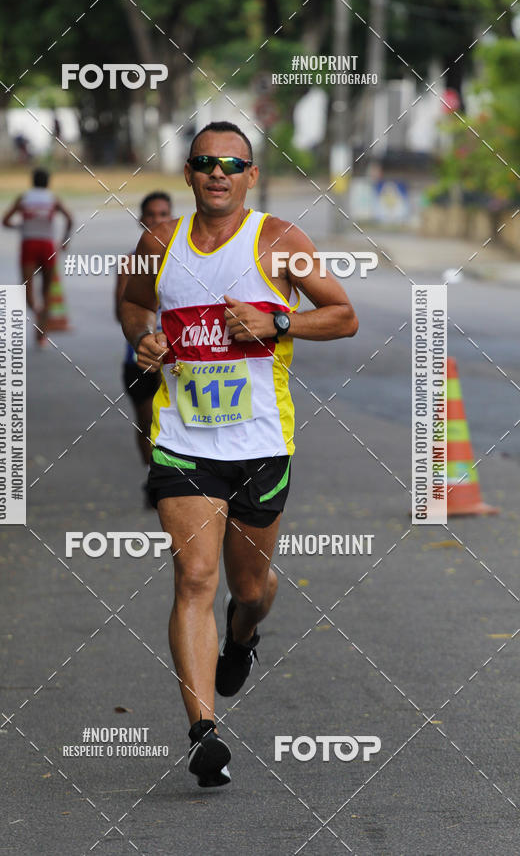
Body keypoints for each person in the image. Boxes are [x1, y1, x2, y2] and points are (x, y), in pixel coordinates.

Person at [119, 120, 358, 788]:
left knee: (248, 588)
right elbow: (135, 302)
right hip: (183, 441)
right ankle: (203, 733)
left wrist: (280, 320)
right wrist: (145, 341)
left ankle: (244, 635)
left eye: (232, 163)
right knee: (194, 577)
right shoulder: (159, 242)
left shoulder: (281, 241)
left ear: (250, 175)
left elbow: (343, 315)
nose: (217, 172)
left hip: (259, 444)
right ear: (189, 173)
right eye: (204, 162)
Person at [115, 192, 173, 506]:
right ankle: (153, 473)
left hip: (178, 360)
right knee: (147, 423)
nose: (157, 220)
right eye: (151, 215)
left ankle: (171, 481)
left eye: (163, 214)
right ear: (141, 219)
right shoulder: (129, 263)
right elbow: (121, 312)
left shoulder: (187, 261)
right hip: (139, 358)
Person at [2, 168, 73, 346]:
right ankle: (41, 333)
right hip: (47, 246)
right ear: (48, 182)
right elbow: (70, 219)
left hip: (29, 245)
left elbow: (5, 221)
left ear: (32, 181)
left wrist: (20, 226)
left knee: (27, 289)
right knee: (47, 291)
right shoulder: (53, 199)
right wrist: (65, 241)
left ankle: (37, 312)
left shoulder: (23, 198)